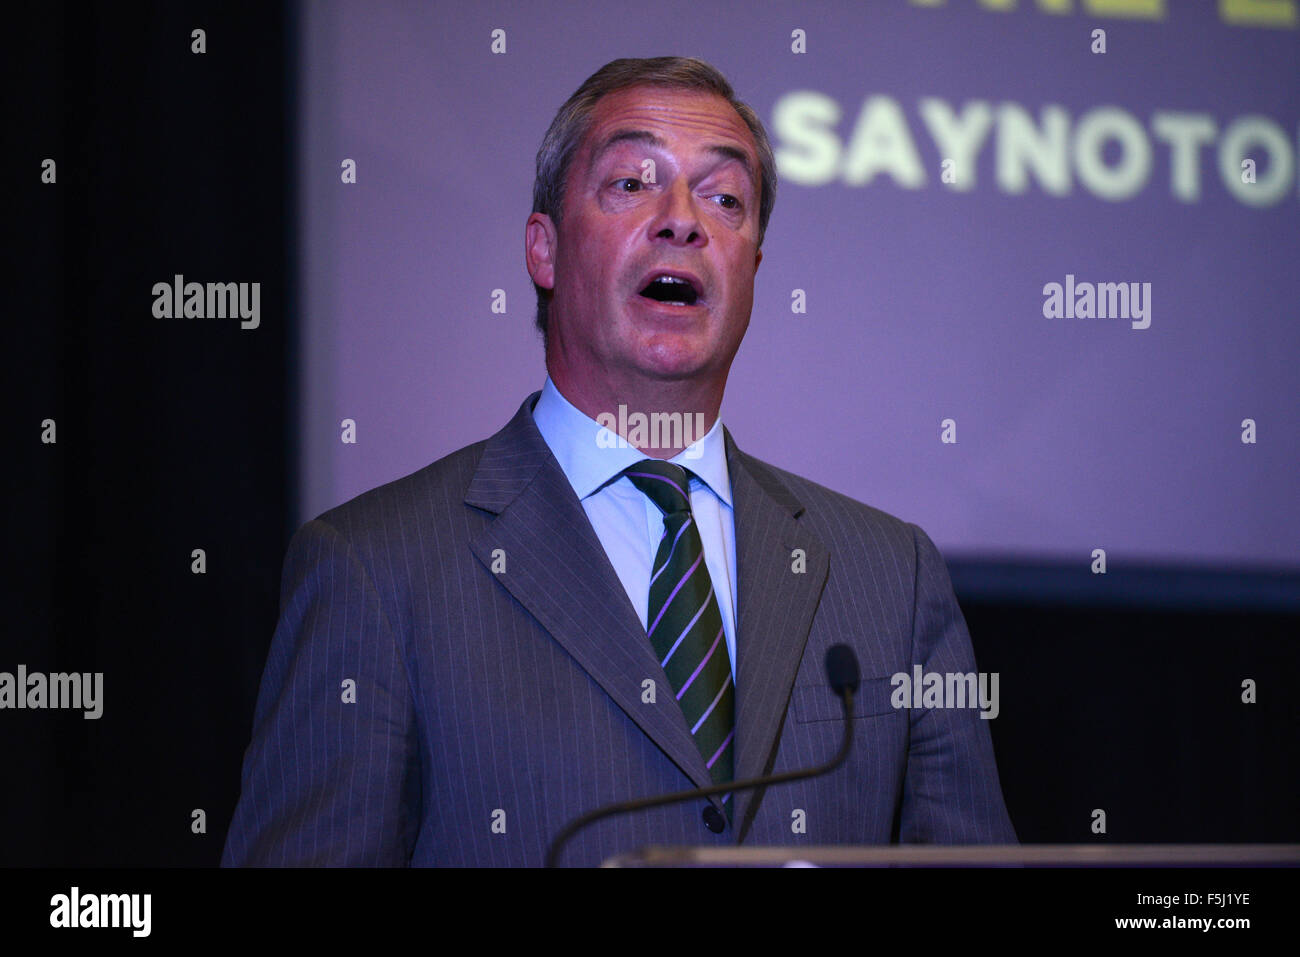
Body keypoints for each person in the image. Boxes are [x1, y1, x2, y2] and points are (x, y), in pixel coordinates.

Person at [222, 56, 1016, 867]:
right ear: (545, 250)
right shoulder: (376, 571)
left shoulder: (891, 575)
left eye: (725, 198)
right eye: (634, 183)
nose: (683, 221)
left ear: (752, 271)